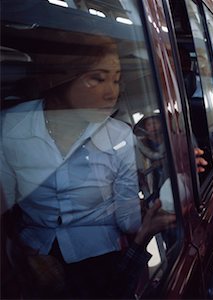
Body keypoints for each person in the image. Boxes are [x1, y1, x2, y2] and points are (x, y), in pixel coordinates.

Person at [0, 35, 143, 298]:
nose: (112, 92)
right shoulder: (11, 126)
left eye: (116, 79)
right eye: (97, 78)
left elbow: (128, 220)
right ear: (57, 78)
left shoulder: (120, 137)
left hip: (99, 260)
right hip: (31, 256)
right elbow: (3, 206)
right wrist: (17, 254)